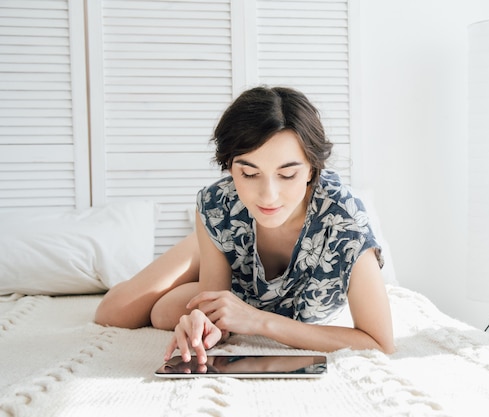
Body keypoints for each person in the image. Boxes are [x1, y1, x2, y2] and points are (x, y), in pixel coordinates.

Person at [95, 86, 394, 364]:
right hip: (231, 245)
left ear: (312, 169)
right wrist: (202, 325)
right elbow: (213, 316)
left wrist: (259, 321)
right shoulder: (219, 205)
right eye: (249, 174)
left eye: (287, 175)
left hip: (251, 295)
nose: (268, 195)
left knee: (163, 313)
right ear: (229, 166)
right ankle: (203, 248)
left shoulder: (346, 221)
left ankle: (209, 254)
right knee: (115, 313)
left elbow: (380, 343)